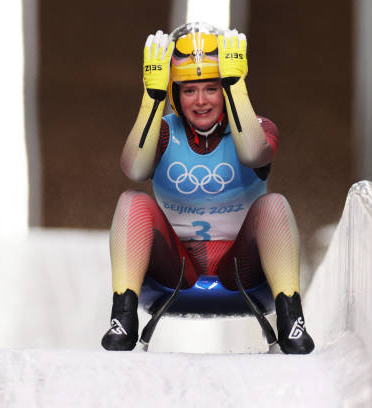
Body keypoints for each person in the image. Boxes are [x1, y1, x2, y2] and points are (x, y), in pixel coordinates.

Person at [101, 22, 314, 354]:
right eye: (188, 90)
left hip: (241, 271)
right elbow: (135, 168)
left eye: (212, 88)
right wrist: (151, 99)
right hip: (175, 270)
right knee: (132, 201)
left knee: (273, 204)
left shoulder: (259, 127)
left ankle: (292, 318)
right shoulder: (162, 132)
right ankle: (122, 317)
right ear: (175, 94)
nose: (200, 101)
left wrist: (235, 87)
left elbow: (253, 152)